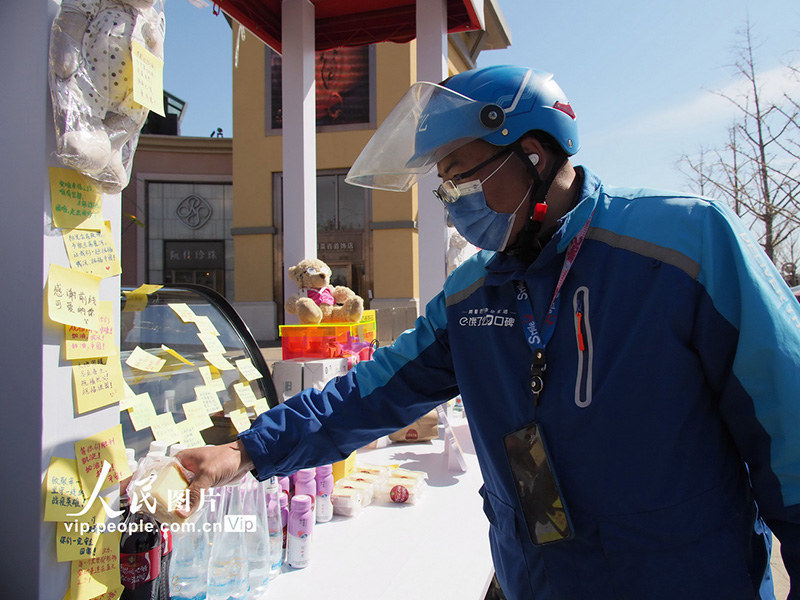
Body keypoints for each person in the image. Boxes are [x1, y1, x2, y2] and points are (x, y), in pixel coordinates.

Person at [176, 66, 800, 599]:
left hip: (684, 580)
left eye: (464, 173)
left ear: (534, 153)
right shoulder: (472, 292)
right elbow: (373, 390)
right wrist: (248, 452)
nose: (452, 199)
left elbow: (788, 423)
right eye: (444, 184)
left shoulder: (683, 246)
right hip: (539, 579)